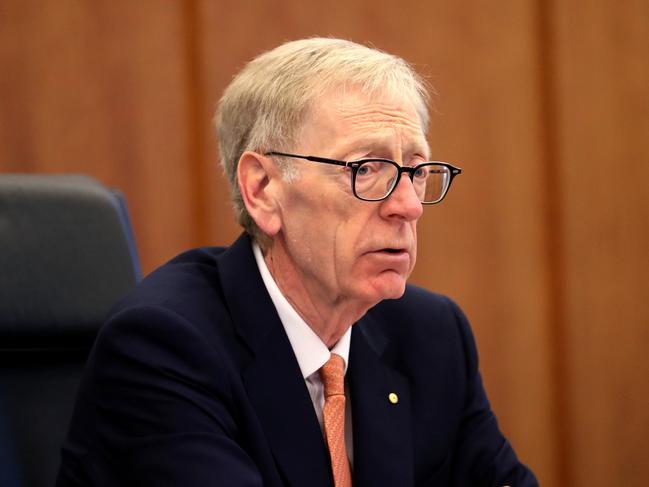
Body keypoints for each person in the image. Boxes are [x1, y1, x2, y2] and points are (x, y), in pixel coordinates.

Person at [57, 38, 538, 486]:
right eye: (367, 169)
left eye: (415, 171)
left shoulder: (430, 336)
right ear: (263, 190)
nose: (408, 205)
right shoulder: (163, 349)